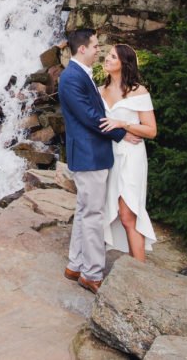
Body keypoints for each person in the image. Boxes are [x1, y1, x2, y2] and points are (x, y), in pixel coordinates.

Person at [59, 29, 127, 293]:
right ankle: (92, 273)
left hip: (91, 153)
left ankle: (75, 264)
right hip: (89, 155)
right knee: (93, 215)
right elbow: (89, 116)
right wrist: (123, 133)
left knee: (85, 210)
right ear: (82, 49)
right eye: (96, 46)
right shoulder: (71, 77)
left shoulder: (79, 74)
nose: (99, 49)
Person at [98, 44, 158, 262]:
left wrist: (122, 124)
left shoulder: (138, 92)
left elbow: (151, 130)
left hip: (132, 156)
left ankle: (138, 273)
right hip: (109, 155)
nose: (107, 59)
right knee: (114, 213)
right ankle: (132, 266)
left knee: (128, 214)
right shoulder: (100, 91)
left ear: (124, 63)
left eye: (112, 56)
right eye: (106, 55)